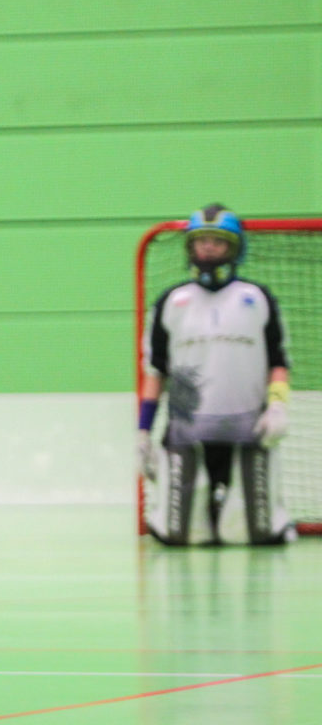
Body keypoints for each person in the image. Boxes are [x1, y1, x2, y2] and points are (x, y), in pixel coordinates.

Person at [137, 204, 294, 546]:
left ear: (234, 248)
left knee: (255, 535)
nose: (208, 247)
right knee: (180, 537)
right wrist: (143, 432)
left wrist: (278, 408)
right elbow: (156, 371)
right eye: (201, 240)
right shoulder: (170, 301)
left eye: (217, 241)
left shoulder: (258, 298)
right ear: (190, 247)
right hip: (186, 433)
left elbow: (278, 364)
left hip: (249, 431)